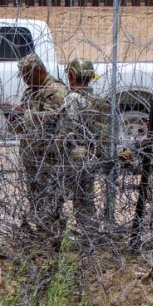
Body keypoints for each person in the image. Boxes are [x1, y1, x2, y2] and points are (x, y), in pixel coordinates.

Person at [4, 53, 68, 238]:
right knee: (36, 201)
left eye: (27, 76)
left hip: (49, 158)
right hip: (31, 156)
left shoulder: (55, 91)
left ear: (39, 71)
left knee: (50, 201)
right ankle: (43, 235)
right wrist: (12, 117)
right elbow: (20, 128)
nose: (24, 80)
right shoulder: (31, 91)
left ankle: (51, 237)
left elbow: (50, 122)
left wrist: (21, 114)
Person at [56, 58, 106, 230]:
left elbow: (68, 127)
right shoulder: (94, 100)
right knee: (84, 196)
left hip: (75, 154)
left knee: (74, 197)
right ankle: (89, 230)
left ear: (71, 76)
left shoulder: (73, 98)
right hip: (90, 154)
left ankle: (87, 233)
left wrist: (56, 143)